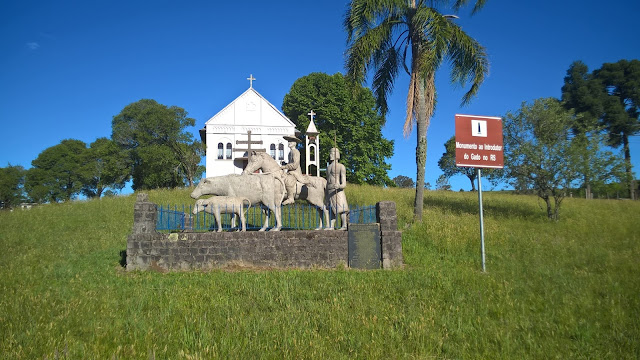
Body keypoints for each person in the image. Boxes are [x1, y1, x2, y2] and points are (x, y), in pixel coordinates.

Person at [280, 135, 314, 205]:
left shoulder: (296, 152)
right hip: (290, 172)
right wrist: (285, 164)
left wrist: (285, 166)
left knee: (288, 181)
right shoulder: (290, 152)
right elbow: (290, 163)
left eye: (291, 141)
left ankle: (290, 198)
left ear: (295, 143)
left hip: (295, 173)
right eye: (288, 141)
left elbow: (295, 165)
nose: (289, 142)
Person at [325, 147, 349, 230]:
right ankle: (331, 226)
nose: (330, 155)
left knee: (341, 208)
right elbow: (327, 181)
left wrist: (339, 186)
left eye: (332, 153)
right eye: (330, 153)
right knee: (331, 209)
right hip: (329, 190)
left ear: (336, 155)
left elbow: (344, 183)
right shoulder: (328, 168)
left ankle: (344, 225)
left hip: (338, 190)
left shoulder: (341, 166)